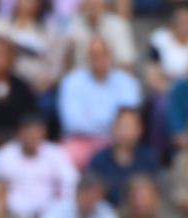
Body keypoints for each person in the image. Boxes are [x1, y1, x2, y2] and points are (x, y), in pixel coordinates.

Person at [57, 35, 140, 168]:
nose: (99, 59)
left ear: (111, 56)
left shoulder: (127, 82)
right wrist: (109, 123)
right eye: (94, 54)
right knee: (64, 157)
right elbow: (72, 123)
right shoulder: (72, 82)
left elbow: (129, 121)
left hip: (117, 143)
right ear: (87, 57)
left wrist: (92, 119)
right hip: (82, 141)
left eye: (103, 54)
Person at [0, 112, 76, 218]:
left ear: (44, 132)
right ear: (19, 133)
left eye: (36, 132)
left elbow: (70, 182)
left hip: (48, 216)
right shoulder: (7, 154)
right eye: (27, 132)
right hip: (12, 217)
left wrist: (60, 208)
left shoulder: (55, 153)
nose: (31, 136)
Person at [0, 0, 63, 101]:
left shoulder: (50, 32)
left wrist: (45, 85)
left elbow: (56, 68)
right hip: (0, 84)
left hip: (37, 89)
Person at [85, 107, 156, 207]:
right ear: (113, 128)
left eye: (130, 126)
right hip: (106, 216)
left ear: (140, 130)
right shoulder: (99, 160)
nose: (126, 132)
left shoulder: (148, 159)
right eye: (122, 126)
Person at [64, 0, 135, 72]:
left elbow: (126, 63)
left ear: (105, 4)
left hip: (112, 76)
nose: (93, 5)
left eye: (96, 2)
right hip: (81, 77)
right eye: (90, 2)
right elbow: (67, 65)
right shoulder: (74, 26)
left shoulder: (119, 26)